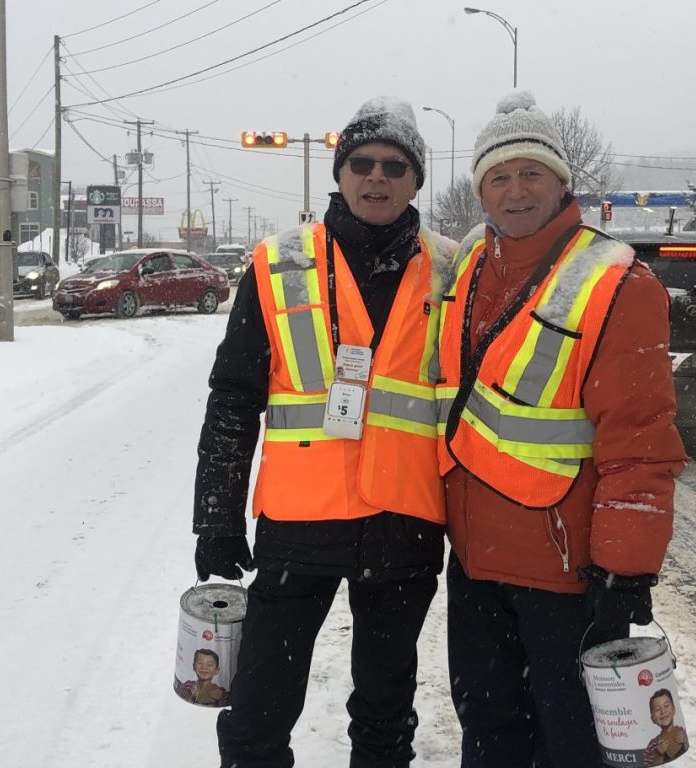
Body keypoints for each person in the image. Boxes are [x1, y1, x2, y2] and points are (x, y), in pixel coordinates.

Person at [192, 96, 456, 768]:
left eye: (395, 166)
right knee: (257, 714)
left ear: (415, 180)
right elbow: (233, 399)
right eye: (362, 163)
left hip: (406, 522)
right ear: (339, 175)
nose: (377, 177)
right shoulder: (279, 264)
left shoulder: (453, 271)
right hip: (299, 524)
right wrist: (216, 518)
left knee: (384, 713)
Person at [434, 91, 688, 768]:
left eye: (531, 174)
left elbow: (640, 443)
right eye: (498, 177)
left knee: (572, 747)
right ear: (481, 193)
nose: (515, 191)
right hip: (475, 570)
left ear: (561, 182)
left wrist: (625, 570)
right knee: (488, 734)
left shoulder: (616, 282)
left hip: (565, 582)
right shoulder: (469, 263)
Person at [643, 688, 689, 766]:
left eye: (666, 706)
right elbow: (647, 765)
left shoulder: (681, 732)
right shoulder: (652, 745)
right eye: (657, 709)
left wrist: (685, 741)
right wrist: (659, 754)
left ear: (674, 709)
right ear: (653, 719)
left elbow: (689, 753)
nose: (663, 711)